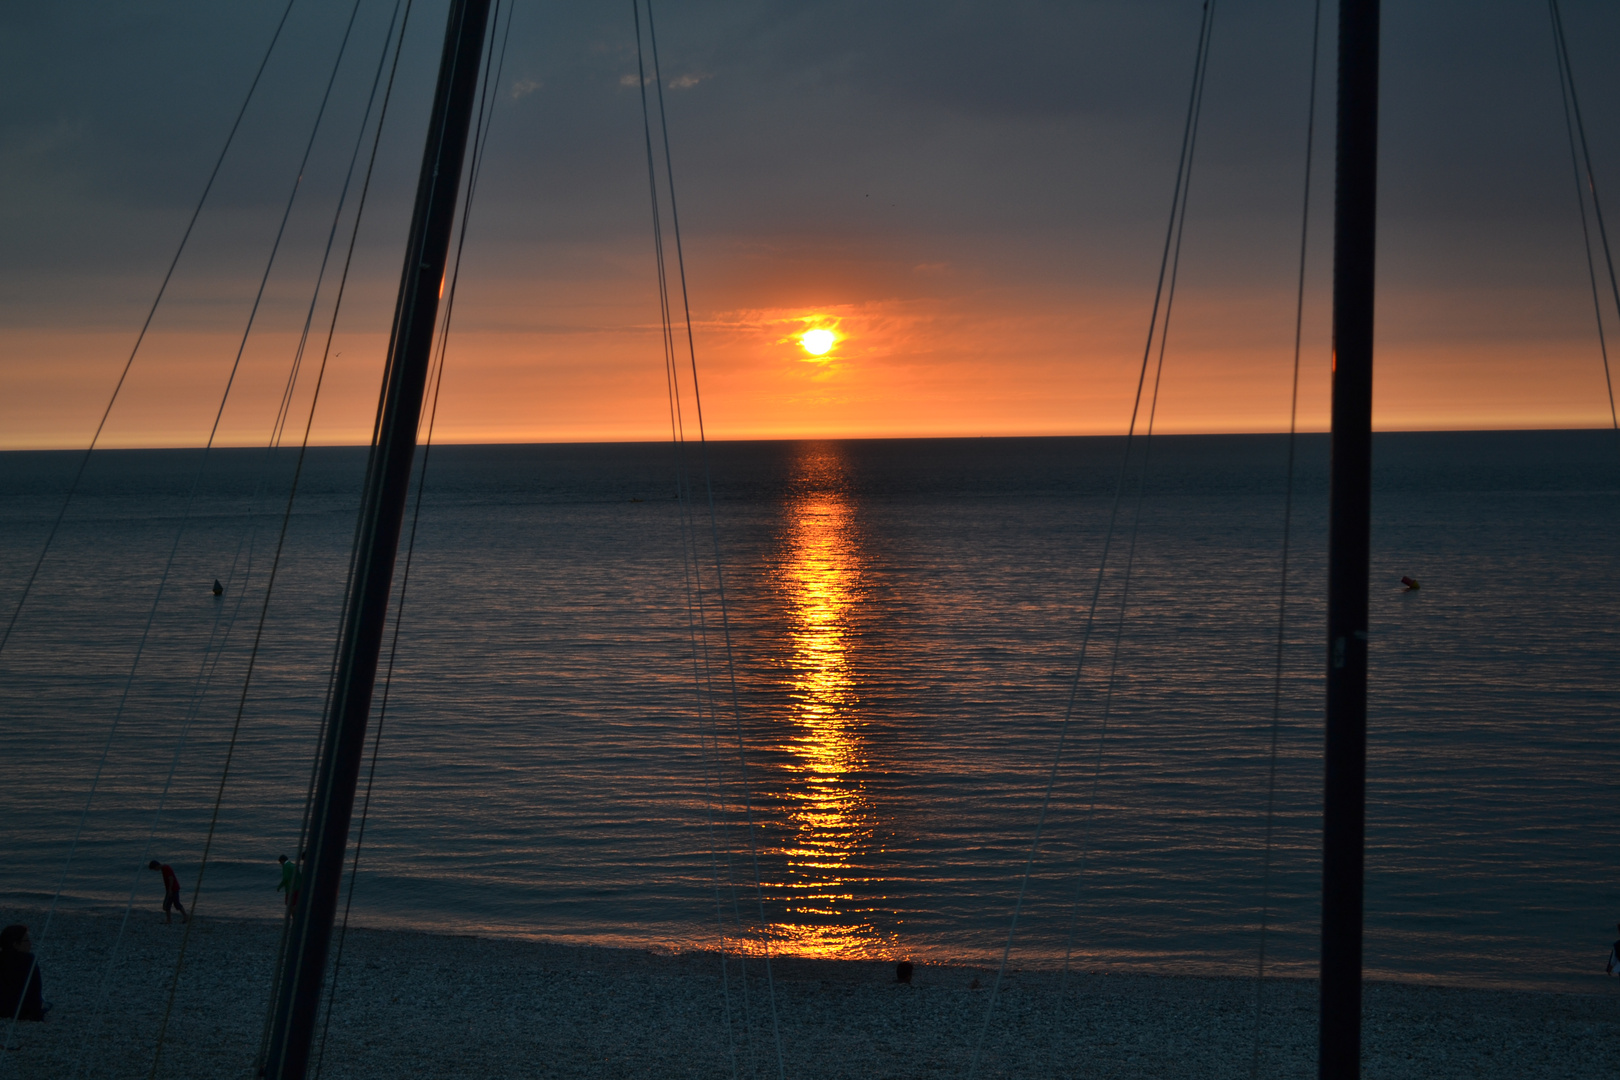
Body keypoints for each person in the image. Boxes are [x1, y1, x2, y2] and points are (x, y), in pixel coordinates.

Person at [0, 925, 45, 1022]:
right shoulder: (28, 961)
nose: (30, 943)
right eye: (26, 940)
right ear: (16, 944)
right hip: (21, 1011)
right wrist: (37, 1015)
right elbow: (35, 990)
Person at [148, 860, 188, 924]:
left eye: (154, 869)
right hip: (172, 889)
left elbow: (171, 878)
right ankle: (170, 919)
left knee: (173, 904)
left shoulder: (166, 868)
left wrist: (170, 890)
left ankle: (183, 917)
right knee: (169, 905)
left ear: (156, 866)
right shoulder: (164, 868)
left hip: (173, 889)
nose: (155, 870)